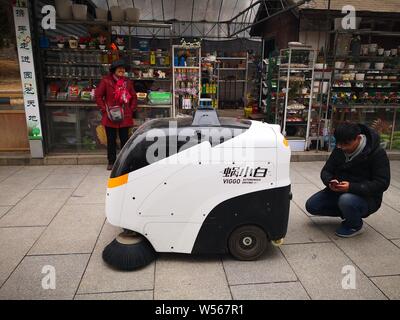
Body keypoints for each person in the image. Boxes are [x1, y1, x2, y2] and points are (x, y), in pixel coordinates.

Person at [305, 122, 390, 237]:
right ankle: (348, 212)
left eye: (346, 144)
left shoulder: (377, 154)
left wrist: (351, 187)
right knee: (312, 206)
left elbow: (382, 183)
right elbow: (326, 171)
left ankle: (355, 225)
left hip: (366, 197)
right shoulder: (339, 149)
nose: (342, 147)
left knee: (346, 200)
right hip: (339, 191)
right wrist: (330, 181)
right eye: (339, 144)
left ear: (358, 138)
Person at [95, 60, 137, 170]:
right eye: (119, 68)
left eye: (123, 68)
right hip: (110, 115)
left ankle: (124, 161)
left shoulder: (127, 82)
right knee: (111, 140)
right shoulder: (106, 81)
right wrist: (105, 110)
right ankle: (111, 161)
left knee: (125, 140)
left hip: (125, 115)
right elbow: (98, 96)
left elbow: (133, 97)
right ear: (114, 70)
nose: (121, 70)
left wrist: (131, 109)